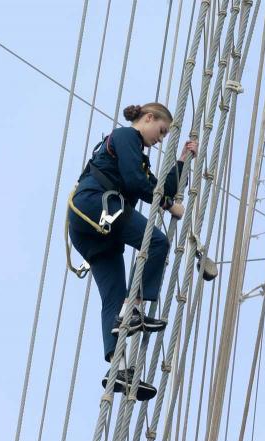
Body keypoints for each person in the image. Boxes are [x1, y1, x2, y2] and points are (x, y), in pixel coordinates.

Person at [68, 103, 200, 400]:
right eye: (161, 131)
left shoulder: (137, 156)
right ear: (149, 118)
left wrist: (182, 161)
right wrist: (168, 205)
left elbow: (159, 187)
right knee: (157, 242)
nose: (160, 138)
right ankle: (136, 307)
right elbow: (135, 182)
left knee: (113, 296)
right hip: (96, 204)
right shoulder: (127, 137)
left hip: (93, 230)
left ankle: (119, 370)